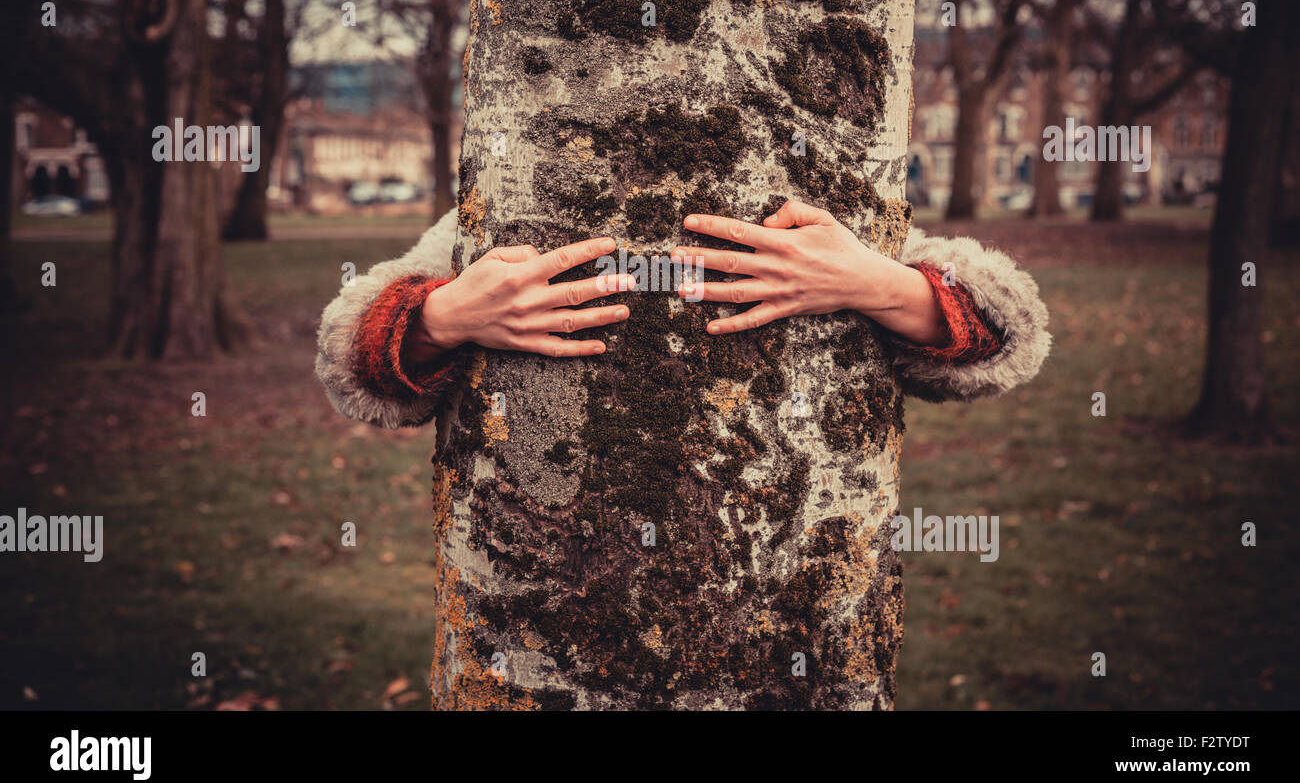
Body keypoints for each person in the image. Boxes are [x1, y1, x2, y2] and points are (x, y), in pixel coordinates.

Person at [315, 197, 1050, 707]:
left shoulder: (828, 201)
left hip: (791, 634)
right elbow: (355, 363)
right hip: (541, 622)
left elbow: (1001, 331)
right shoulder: (503, 200)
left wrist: (873, 282)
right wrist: (444, 315)